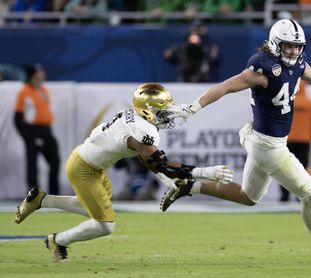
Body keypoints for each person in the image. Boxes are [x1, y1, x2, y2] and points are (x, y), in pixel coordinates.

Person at [161, 19, 311, 263]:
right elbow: (225, 87)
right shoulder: (262, 69)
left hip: (262, 139)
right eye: (288, 46)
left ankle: (188, 186)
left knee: (248, 197)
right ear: (275, 44)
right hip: (268, 146)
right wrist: (192, 108)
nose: (294, 51)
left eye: (297, 46)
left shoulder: (297, 63)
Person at [15, 83, 233, 262]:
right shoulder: (143, 130)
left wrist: (165, 179)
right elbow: (161, 164)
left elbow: (147, 158)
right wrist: (207, 171)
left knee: (91, 207)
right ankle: (57, 240)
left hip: (89, 163)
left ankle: (41, 201)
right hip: (84, 169)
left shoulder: (135, 118)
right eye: (162, 110)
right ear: (148, 110)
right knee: (105, 225)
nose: (167, 113)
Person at [14, 64, 61, 195]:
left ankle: (54, 194)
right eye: (39, 71)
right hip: (32, 131)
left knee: (55, 161)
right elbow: (17, 117)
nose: (42, 73)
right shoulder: (24, 92)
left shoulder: (44, 90)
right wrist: (27, 136)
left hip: (46, 130)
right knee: (33, 164)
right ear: (33, 75)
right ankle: (33, 195)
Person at [279, 81, 311, 202]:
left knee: (285, 170)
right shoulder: (310, 104)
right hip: (304, 141)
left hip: (286, 140)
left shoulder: (286, 103)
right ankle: (301, 197)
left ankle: (284, 197)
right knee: (302, 170)